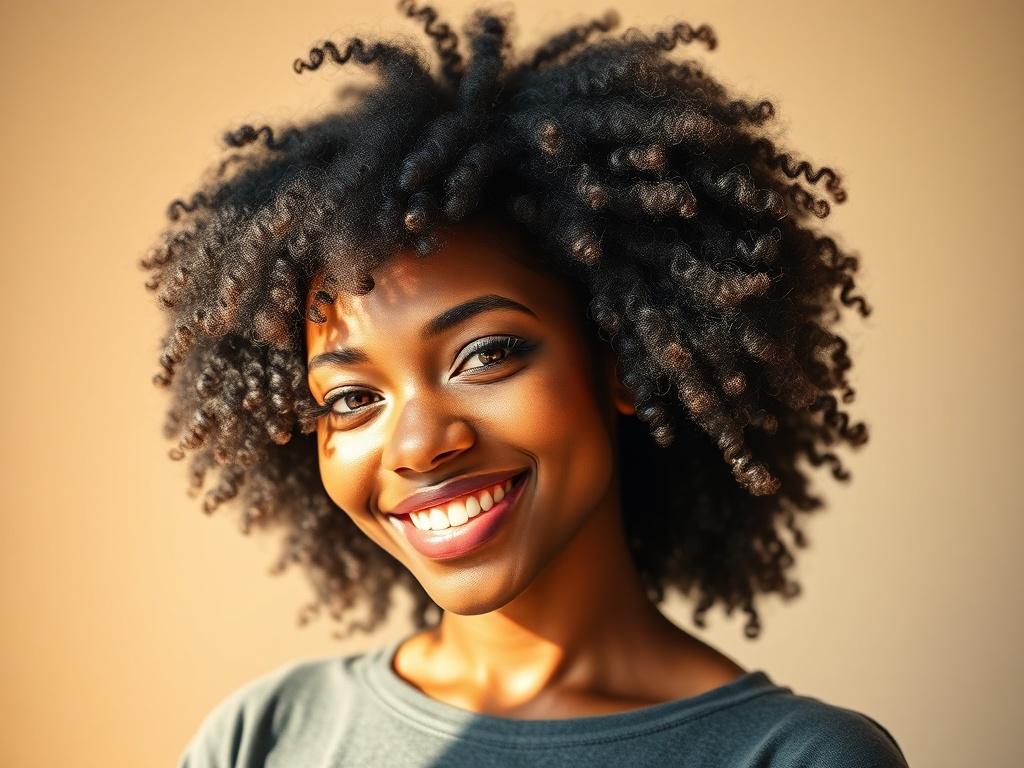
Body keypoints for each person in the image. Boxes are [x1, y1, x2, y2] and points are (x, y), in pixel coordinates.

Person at [142, 2, 910, 765]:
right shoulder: (264, 737)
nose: (417, 446)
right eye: (352, 399)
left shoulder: (795, 757)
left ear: (625, 359)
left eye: (485, 355)